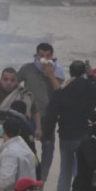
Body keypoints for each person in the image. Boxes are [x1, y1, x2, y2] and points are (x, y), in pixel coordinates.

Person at [45, 61, 96, 191]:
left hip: (65, 136)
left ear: (70, 73)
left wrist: (46, 136)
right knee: (81, 174)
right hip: (84, 137)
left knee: (65, 173)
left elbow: (51, 115)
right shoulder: (92, 89)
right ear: (84, 72)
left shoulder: (62, 91)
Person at [17, 44, 64, 180]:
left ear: (52, 56)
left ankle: (42, 180)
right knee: (27, 149)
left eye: (47, 56)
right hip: (29, 117)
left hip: (48, 117)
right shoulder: (27, 69)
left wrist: (50, 75)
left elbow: (60, 92)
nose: (44, 59)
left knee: (48, 150)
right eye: (41, 56)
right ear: (37, 55)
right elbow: (14, 83)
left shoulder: (57, 71)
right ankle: (29, 178)